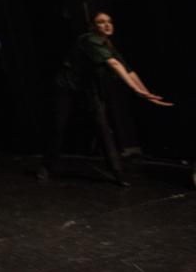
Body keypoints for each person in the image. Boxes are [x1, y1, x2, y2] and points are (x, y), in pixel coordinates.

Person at [38, 12, 172, 186]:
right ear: (94, 27)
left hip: (87, 88)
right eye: (101, 22)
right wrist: (136, 90)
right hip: (66, 87)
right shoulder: (89, 40)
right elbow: (114, 65)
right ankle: (47, 167)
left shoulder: (109, 46)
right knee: (59, 126)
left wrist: (145, 92)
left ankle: (117, 172)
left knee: (102, 125)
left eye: (109, 21)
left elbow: (128, 70)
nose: (107, 25)